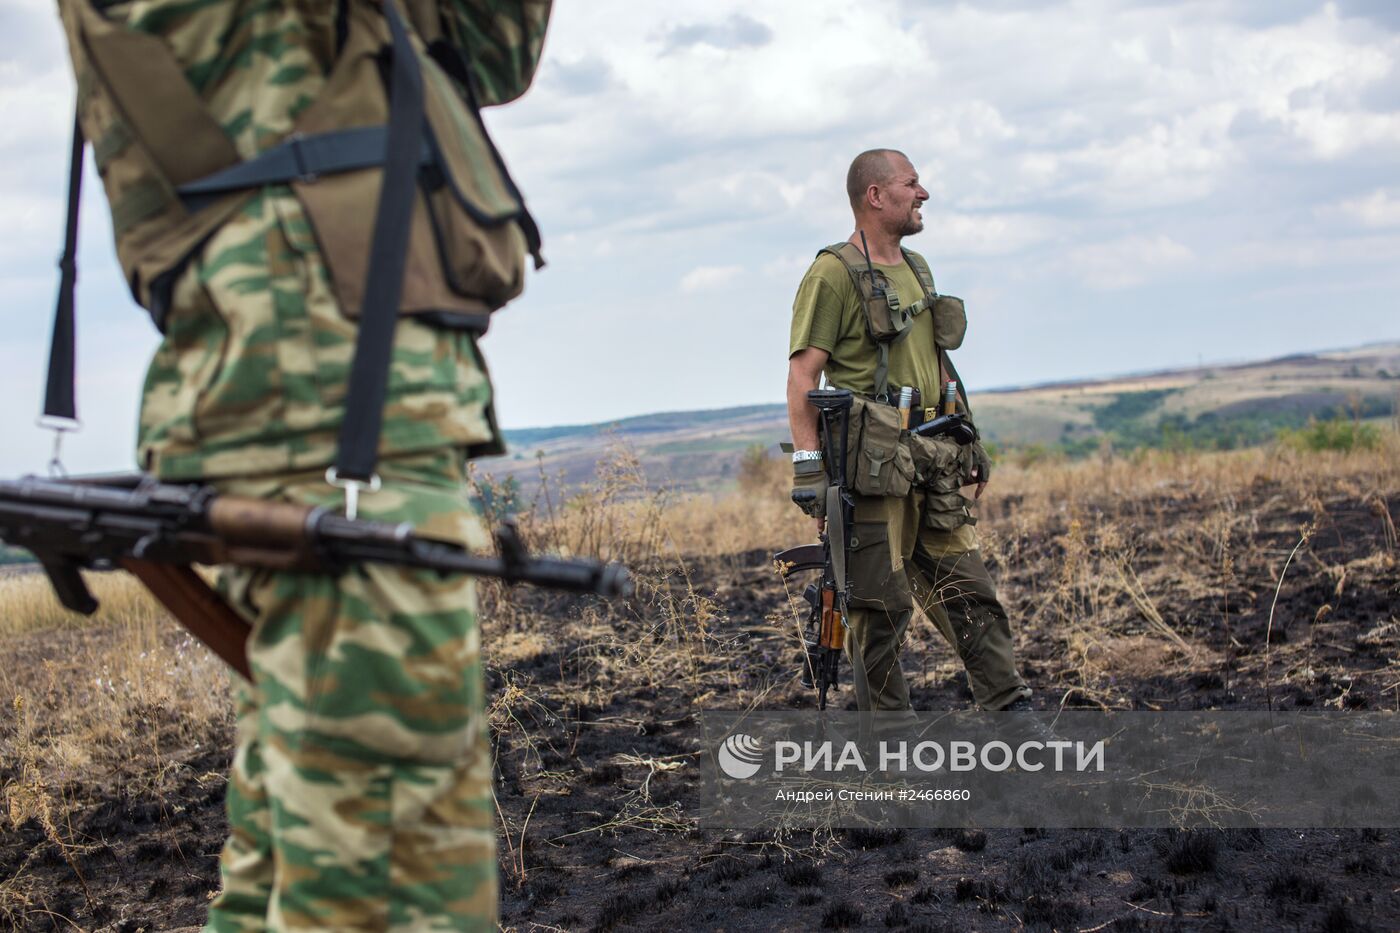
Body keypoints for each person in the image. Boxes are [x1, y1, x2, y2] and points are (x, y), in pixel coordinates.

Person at [54, 1, 552, 928]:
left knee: (305, 856)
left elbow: (490, 49)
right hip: (330, 399)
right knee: (392, 884)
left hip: (307, 401)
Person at [786, 148, 1033, 714]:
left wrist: (969, 437)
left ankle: (1014, 720)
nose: (923, 194)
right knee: (878, 615)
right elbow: (802, 376)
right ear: (876, 196)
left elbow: (939, 364)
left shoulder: (918, 267)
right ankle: (891, 747)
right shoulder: (832, 273)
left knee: (971, 596)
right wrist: (809, 471)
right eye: (911, 183)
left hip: (934, 460)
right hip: (873, 472)